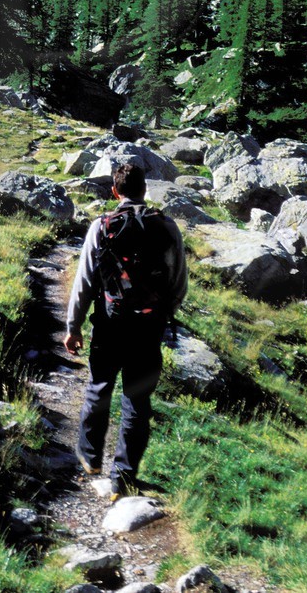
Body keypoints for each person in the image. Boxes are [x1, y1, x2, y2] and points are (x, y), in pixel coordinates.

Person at [64, 160, 187, 494]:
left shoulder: (101, 226)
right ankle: (124, 476)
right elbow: (179, 282)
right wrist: (161, 314)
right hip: (149, 327)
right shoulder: (166, 226)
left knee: (98, 387)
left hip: (110, 323)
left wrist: (73, 326)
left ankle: (90, 458)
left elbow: (85, 282)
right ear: (145, 191)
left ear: (115, 191)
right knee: (137, 401)